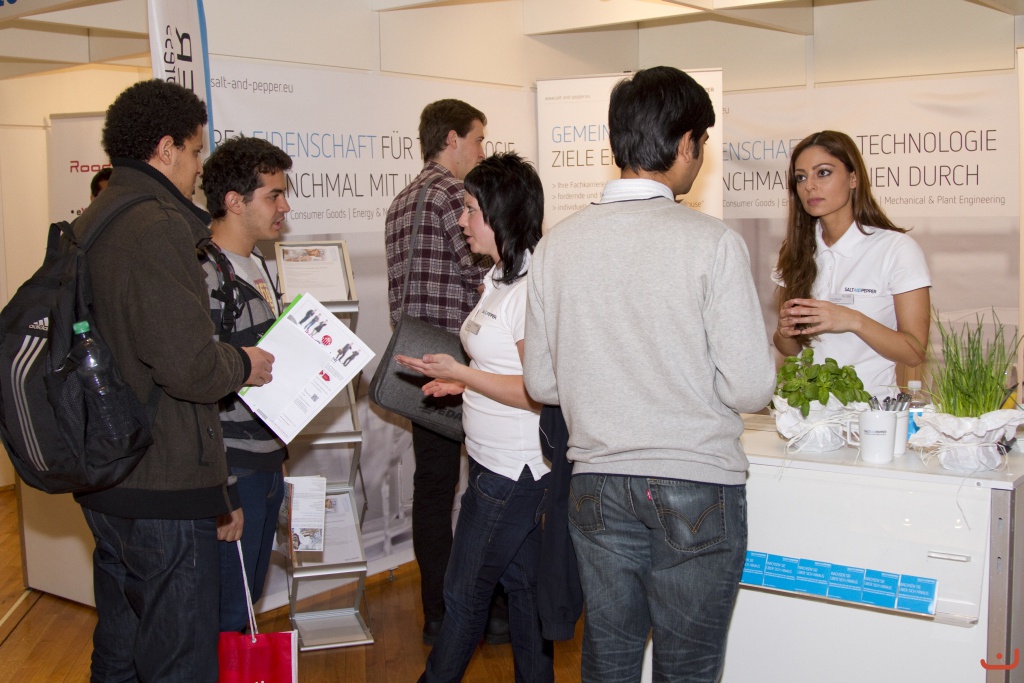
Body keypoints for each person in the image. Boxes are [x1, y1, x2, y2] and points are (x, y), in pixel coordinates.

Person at [523, 66, 776, 682]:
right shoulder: (712, 243)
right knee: (686, 669)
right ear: (685, 143)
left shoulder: (558, 245)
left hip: (596, 482)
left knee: (608, 658)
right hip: (695, 481)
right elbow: (750, 388)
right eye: (702, 143)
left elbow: (542, 384)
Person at [72, 80, 275, 682]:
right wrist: (243, 363)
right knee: (180, 654)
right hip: (162, 481)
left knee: (120, 645)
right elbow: (189, 367)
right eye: (194, 151)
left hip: (108, 468)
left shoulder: (95, 218)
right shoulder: (156, 224)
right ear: (166, 149)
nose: (198, 168)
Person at [396, 153, 551, 682]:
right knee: (525, 594)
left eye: (469, 209)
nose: (461, 220)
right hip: (493, 465)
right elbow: (502, 368)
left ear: (500, 212)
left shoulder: (528, 291)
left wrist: (463, 373)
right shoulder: (499, 280)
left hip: (513, 471)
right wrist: (463, 381)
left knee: (463, 597)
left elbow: (539, 393)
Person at [384, 98, 505, 646]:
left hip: (414, 363)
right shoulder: (456, 196)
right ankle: (488, 611)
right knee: (489, 487)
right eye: (479, 139)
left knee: (432, 490)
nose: (482, 150)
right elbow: (486, 273)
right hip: (462, 365)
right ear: (452, 139)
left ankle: (438, 614)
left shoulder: (400, 201)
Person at [199, 136, 292, 634]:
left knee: (246, 605)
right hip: (234, 469)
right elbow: (196, 388)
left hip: (264, 460)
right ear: (234, 201)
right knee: (227, 614)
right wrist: (223, 492)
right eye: (273, 195)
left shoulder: (256, 265)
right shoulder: (206, 274)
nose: (284, 206)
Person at [773, 130, 931, 398]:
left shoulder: (896, 249)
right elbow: (790, 350)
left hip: (871, 412)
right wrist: (784, 332)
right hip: (807, 413)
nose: (810, 186)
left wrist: (852, 320)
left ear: (853, 178)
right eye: (801, 177)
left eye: (823, 173)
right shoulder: (796, 251)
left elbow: (914, 352)